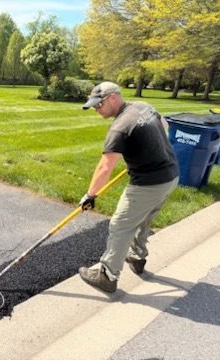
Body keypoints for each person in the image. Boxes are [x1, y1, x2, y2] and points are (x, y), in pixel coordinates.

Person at [78, 81, 179, 293]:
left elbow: (105, 167)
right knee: (144, 218)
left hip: (149, 184)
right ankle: (137, 257)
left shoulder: (120, 127)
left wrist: (90, 195)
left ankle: (107, 275)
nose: (96, 110)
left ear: (113, 97)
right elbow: (164, 126)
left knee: (120, 225)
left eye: (99, 104)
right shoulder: (143, 107)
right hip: (171, 176)